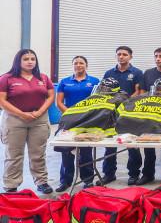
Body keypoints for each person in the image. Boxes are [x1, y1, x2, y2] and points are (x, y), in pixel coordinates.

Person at [0, 49, 55, 194]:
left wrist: (40, 112)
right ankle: (11, 185)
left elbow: (50, 96)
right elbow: (2, 101)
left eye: (32, 59)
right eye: (26, 59)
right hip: (14, 120)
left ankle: (41, 181)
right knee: (14, 154)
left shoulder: (43, 77)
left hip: (39, 119)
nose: (30, 62)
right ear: (18, 61)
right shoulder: (7, 78)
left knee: (38, 153)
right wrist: (21, 114)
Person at [55, 56, 99, 191]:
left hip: (87, 120)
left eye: (81, 63)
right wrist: (71, 114)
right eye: (76, 63)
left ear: (86, 65)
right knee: (66, 151)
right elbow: (59, 102)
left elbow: (98, 101)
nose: (78, 65)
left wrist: (85, 115)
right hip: (68, 120)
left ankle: (88, 180)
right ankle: (65, 181)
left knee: (86, 151)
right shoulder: (64, 82)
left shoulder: (94, 81)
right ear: (72, 65)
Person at [101, 46, 143, 185]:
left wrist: (125, 103)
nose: (121, 56)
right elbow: (104, 92)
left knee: (131, 144)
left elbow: (139, 92)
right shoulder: (109, 73)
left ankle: (134, 174)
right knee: (109, 145)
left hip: (129, 113)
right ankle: (109, 174)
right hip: (111, 113)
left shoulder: (137, 73)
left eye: (125, 54)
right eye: (119, 54)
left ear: (130, 57)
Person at [137, 47, 161, 184]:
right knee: (148, 145)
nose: (158, 59)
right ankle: (148, 174)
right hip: (150, 112)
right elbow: (143, 93)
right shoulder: (148, 73)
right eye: (156, 56)